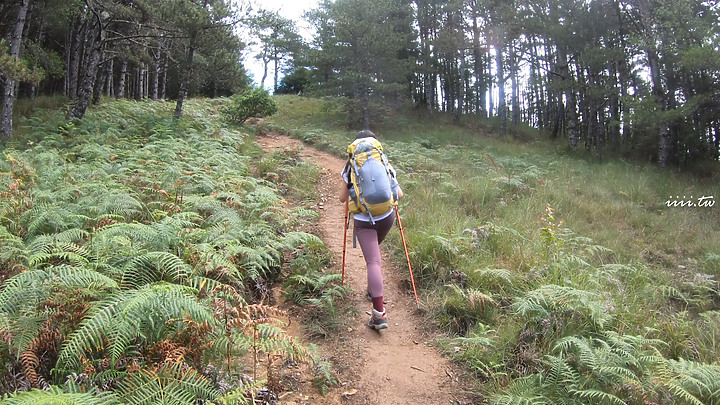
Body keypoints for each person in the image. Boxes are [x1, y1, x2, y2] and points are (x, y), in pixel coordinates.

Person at [339, 130, 403, 330]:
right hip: (387, 217)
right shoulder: (383, 162)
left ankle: (379, 314)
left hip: (364, 220)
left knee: (373, 261)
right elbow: (399, 194)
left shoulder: (351, 166)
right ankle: (372, 289)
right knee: (374, 258)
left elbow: (342, 198)